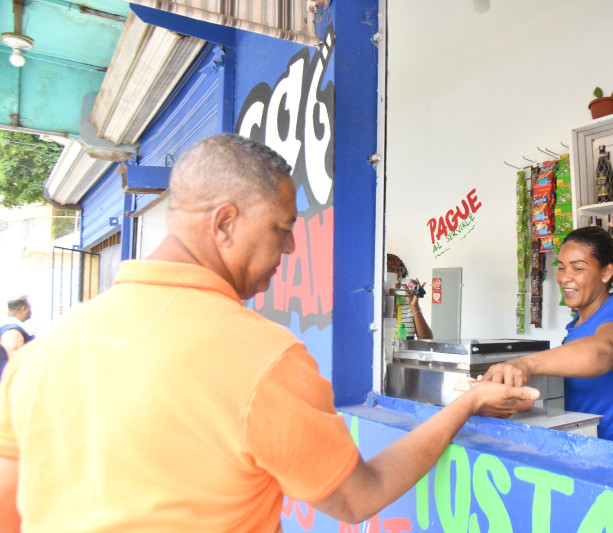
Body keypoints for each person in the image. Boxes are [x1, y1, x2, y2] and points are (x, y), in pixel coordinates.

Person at [0, 134, 538, 532]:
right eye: (282, 229)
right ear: (225, 222)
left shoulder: (42, 353)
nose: (289, 250)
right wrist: (465, 405)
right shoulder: (263, 359)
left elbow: (10, 506)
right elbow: (358, 497)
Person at [482, 226, 613, 446]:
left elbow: (606, 352)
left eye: (577, 268)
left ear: (606, 272)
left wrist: (527, 364)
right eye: (561, 268)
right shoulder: (576, 326)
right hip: (580, 450)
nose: (564, 278)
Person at [386, 253, 433, 340]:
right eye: (392, 269)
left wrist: (414, 306)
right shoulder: (372, 302)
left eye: (400, 269)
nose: (399, 273)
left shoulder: (407, 302)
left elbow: (427, 339)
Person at [0, 296, 34, 376]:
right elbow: (14, 358)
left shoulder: (10, 327)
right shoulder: (12, 329)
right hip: (12, 383)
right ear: (24, 309)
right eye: (30, 307)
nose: (31, 310)